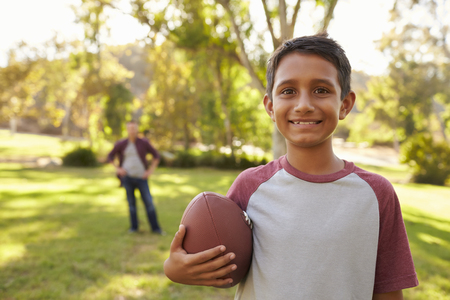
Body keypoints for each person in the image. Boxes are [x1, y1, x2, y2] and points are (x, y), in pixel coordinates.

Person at [163, 33, 419, 299]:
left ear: (345, 104)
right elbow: (220, 260)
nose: (304, 105)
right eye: (288, 91)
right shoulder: (249, 187)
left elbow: (389, 291)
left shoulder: (377, 194)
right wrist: (175, 268)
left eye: (321, 90)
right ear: (270, 107)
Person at [107, 120, 164, 235]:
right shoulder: (122, 144)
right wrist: (118, 169)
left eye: (134, 128)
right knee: (131, 204)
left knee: (149, 203)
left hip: (142, 179)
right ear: (127, 130)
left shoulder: (143, 143)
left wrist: (150, 171)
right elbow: (110, 156)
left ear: (137, 129)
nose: (132, 131)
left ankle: (156, 229)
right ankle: (134, 228)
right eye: (130, 128)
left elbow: (156, 156)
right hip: (127, 178)